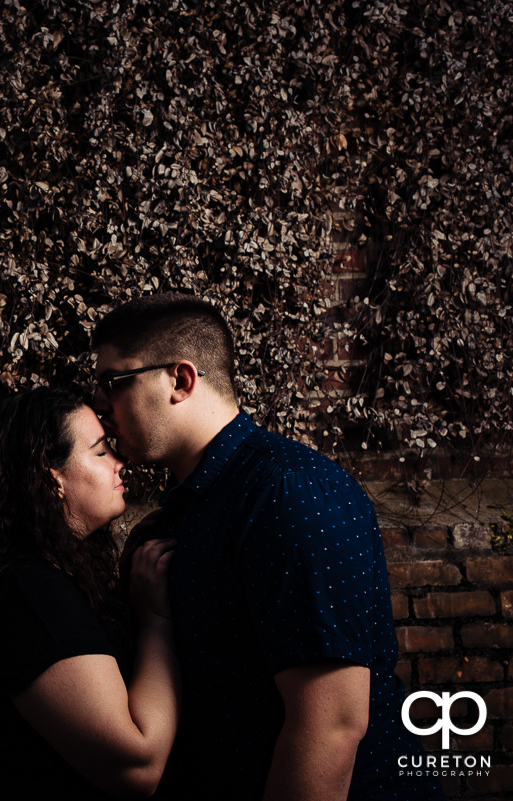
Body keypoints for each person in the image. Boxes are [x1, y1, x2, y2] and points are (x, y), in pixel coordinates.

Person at [91, 292, 445, 801]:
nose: (100, 403)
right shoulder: (189, 507)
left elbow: (331, 726)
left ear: (180, 380)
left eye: (113, 382)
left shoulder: (287, 493)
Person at [0, 387, 179, 799]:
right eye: (100, 451)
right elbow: (137, 767)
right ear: (50, 476)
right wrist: (158, 621)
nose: (121, 460)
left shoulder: (55, 573)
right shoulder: (31, 596)